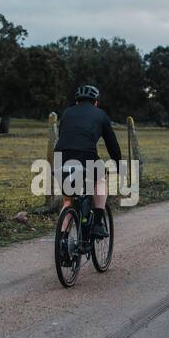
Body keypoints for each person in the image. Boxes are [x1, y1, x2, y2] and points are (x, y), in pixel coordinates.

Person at [54, 83, 122, 238]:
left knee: (68, 201)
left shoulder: (66, 113)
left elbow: (63, 135)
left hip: (61, 157)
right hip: (86, 156)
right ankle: (98, 223)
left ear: (77, 101)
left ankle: (63, 241)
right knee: (101, 178)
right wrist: (118, 164)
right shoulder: (101, 115)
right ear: (96, 102)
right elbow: (112, 144)